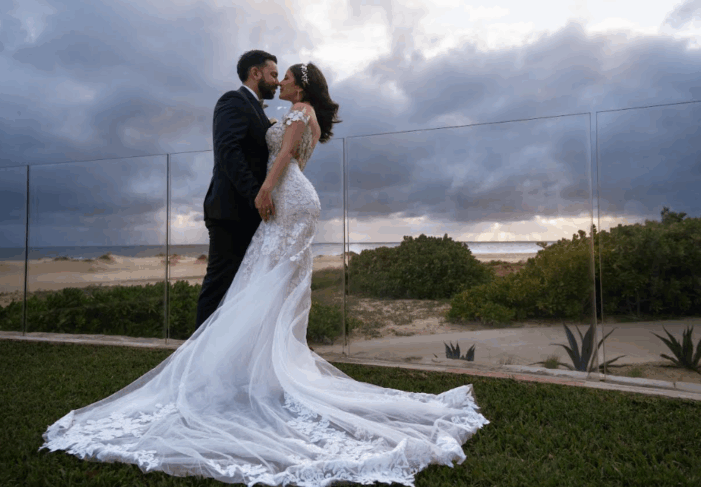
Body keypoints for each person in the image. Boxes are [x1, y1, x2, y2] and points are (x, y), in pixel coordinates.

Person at [40, 58, 489, 487]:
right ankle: (261, 370)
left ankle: (249, 372)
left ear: (300, 85)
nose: (281, 82)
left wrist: (266, 189)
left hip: (288, 198)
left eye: (286, 76)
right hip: (300, 199)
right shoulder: (309, 115)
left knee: (266, 283)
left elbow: (286, 156)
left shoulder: (297, 112)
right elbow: (298, 159)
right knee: (275, 286)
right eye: (277, 75)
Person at [196, 49, 279, 329]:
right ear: (255, 73)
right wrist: (257, 195)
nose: (277, 82)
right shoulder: (232, 101)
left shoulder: (256, 108)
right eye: (273, 74)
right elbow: (228, 152)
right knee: (218, 288)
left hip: (248, 213)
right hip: (230, 211)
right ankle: (196, 360)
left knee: (242, 291)